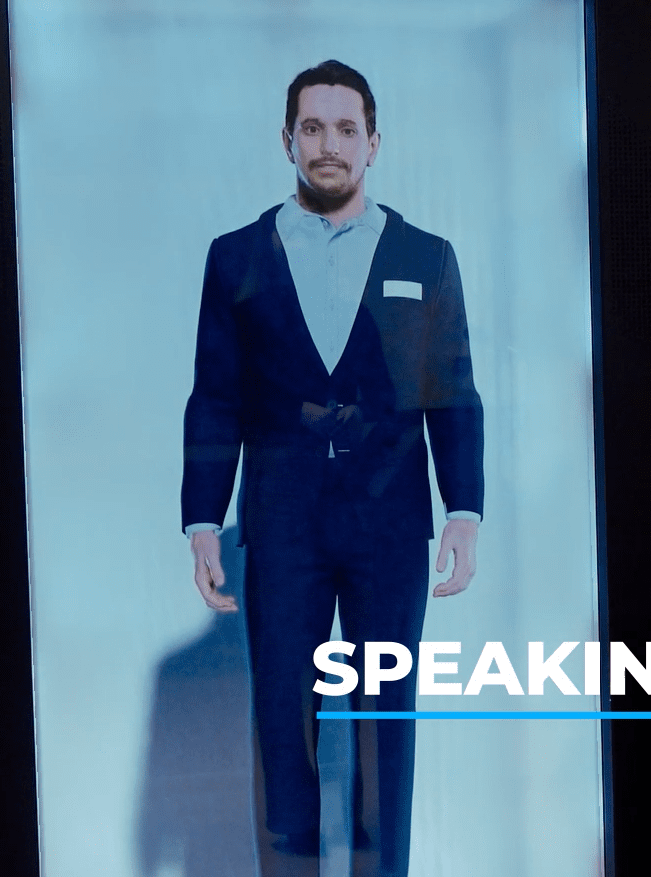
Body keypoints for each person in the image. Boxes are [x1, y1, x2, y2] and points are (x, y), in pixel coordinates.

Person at [181, 59, 485, 877]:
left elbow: (453, 391)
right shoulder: (236, 256)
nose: (329, 145)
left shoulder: (427, 256)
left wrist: (465, 508)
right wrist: (204, 517)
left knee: (388, 723)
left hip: (390, 531)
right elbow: (214, 396)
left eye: (346, 128)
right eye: (312, 128)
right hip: (281, 532)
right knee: (284, 725)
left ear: (374, 142)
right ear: (287, 139)